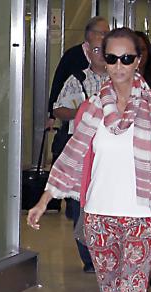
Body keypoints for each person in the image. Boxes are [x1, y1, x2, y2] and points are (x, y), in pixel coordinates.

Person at [28, 28, 151, 292]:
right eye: (111, 57)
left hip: (141, 219)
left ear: (138, 61)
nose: (118, 66)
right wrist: (45, 199)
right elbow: (72, 155)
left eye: (126, 58)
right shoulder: (91, 107)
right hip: (99, 217)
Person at [52, 25, 109, 273]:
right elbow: (57, 109)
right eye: (96, 48)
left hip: (110, 152)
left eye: (104, 48)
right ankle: (88, 256)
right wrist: (83, 111)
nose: (100, 53)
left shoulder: (119, 77)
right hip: (84, 149)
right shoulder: (78, 79)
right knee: (81, 203)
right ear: (87, 50)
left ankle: (106, 250)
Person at [47, 16, 110, 171]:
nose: (101, 54)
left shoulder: (118, 79)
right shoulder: (76, 75)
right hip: (79, 142)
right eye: (102, 33)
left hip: (107, 146)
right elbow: (58, 88)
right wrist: (53, 115)